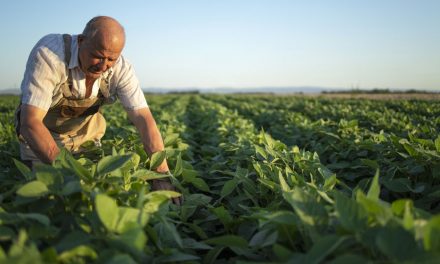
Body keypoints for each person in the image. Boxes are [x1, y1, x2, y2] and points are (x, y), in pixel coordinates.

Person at [15, 16, 181, 204]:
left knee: (105, 193)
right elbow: (30, 123)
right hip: (42, 139)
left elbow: (143, 119)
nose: (103, 66)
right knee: (50, 197)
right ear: (81, 41)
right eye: (98, 56)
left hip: (86, 139)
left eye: (111, 59)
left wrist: (161, 175)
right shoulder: (50, 55)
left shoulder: (122, 69)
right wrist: (72, 176)